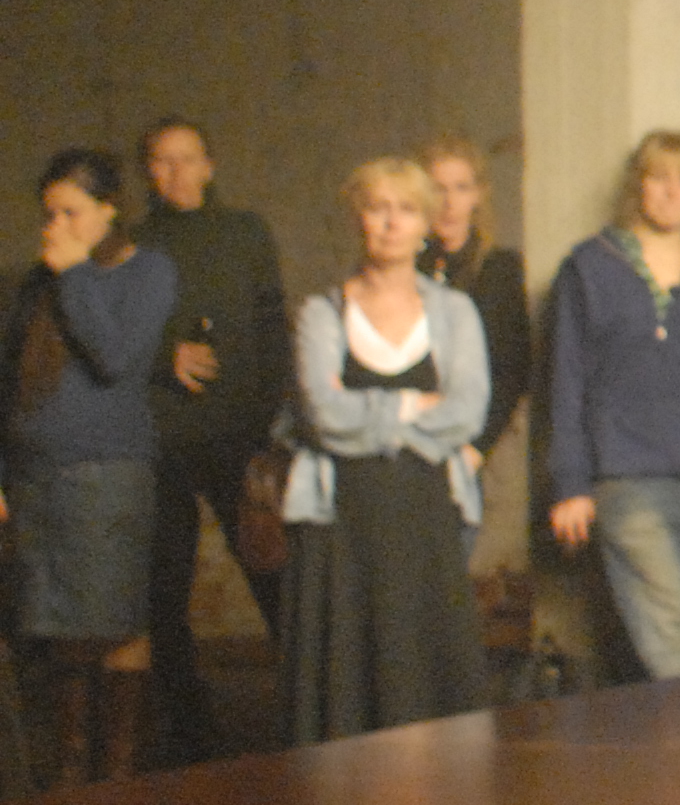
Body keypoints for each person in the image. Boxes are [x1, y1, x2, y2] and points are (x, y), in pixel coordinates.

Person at [281, 157, 491, 743]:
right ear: (358, 220)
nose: (391, 223)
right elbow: (324, 416)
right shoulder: (322, 313)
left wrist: (367, 412)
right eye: (377, 209)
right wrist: (408, 408)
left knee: (424, 668)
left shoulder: (454, 312)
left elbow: (466, 411)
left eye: (406, 210)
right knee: (349, 675)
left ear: (425, 223)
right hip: (343, 518)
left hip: (425, 509)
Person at [542, 132, 680, 679]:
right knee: (675, 646)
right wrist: (571, 484)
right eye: (659, 178)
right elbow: (565, 381)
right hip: (631, 480)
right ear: (637, 185)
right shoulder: (590, 268)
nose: (672, 192)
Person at [5, 149, 179, 787]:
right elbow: (10, 379)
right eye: (49, 213)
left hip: (106, 475)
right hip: (36, 477)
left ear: (109, 210)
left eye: (71, 212)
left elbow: (116, 356)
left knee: (113, 621)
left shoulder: (147, 271)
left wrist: (76, 274)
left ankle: (117, 769)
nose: (56, 226)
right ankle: (72, 766)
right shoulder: (37, 280)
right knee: (57, 625)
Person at [132, 116, 286, 764]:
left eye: (187, 158)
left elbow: (273, 324)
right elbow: (113, 336)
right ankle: (188, 728)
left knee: (272, 571)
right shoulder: (132, 245)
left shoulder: (245, 232)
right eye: (162, 161)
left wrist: (269, 421)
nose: (177, 172)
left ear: (210, 164)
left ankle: (306, 709)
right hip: (162, 440)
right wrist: (163, 356)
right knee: (164, 589)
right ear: (149, 172)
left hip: (237, 435)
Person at [417, 137, 537, 581]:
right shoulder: (403, 268)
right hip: (410, 437)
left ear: (479, 194)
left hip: (472, 443)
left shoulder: (498, 269)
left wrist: (476, 449)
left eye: (461, 187)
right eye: (438, 188)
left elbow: (511, 370)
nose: (449, 203)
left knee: (459, 573)